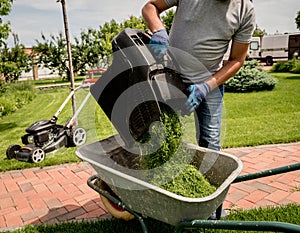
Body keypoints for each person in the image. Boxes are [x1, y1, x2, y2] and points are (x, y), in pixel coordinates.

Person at [142, 0, 256, 151]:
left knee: (211, 142)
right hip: (168, 76)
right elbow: (150, 6)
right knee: (158, 135)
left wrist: (204, 87)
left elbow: (237, 60)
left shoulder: (245, 10)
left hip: (210, 82)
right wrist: (159, 30)